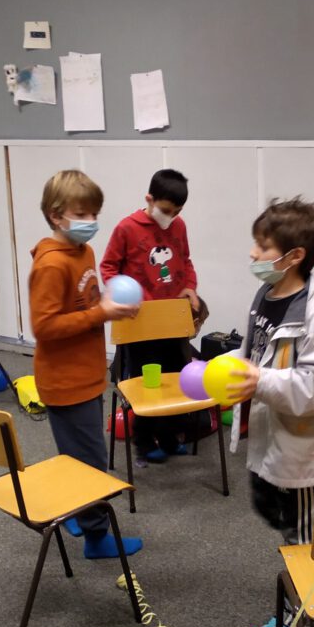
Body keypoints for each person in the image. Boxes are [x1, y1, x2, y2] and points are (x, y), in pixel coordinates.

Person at [29, 169, 143, 559]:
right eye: (82, 214)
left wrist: (111, 306)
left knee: (78, 456)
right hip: (66, 381)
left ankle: (77, 511)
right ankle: (96, 537)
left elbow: (86, 303)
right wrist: (100, 314)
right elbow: (44, 327)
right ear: (56, 215)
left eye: (95, 214)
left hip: (88, 373)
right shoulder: (51, 265)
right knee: (91, 462)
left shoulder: (85, 252)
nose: (91, 222)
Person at [227, 197, 314, 545]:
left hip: (305, 452)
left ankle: (310, 580)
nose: (253, 253)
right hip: (274, 433)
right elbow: (258, 351)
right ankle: (298, 566)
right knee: (271, 508)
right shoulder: (265, 296)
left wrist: (259, 380)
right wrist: (227, 365)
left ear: (295, 256)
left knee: (305, 534)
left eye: (263, 246)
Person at [101, 169, 199, 461]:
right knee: (147, 382)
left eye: (177, 211)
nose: (171, 216)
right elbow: (108, 267)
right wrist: (124, 296)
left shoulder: (179, 226)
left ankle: (169, 436)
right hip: (140, 322)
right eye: (166, 210)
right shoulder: (127, 228)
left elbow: (186, 261)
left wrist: (190, 287)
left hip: (172, 319)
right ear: (149, 199)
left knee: (175, 379)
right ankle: (143, 441)